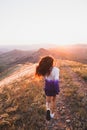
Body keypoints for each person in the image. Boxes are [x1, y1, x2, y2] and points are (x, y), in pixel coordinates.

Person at [35, 56, 60, 121]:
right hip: (53, 88)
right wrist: (57, 90)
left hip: (47, 87)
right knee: (53, 100)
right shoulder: (56, 70)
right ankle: (52, 114)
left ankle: (48, 110)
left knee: (48, 100)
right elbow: (56, 81)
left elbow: (46, 78)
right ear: (52, 63)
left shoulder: (45, 70)